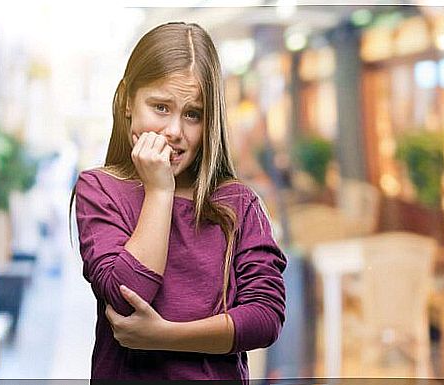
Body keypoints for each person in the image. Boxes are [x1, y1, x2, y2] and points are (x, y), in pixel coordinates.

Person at [69, 22, 287, 381]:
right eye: (160, 107)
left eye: (192, 114)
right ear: (127, 100)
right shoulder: (100, 189)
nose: (175, 131)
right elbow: (126, 296)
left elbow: (265, 317)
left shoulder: (239, 202)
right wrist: (159, 191)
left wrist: (162, 336)